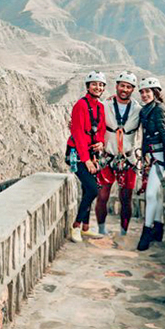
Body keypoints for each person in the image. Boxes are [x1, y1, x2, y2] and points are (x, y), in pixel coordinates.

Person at [94, 70, 142, 239]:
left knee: (126, 197)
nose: (125, 89)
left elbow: (151, 125)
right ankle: (100, 229)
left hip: (127, 158)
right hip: (107, 156)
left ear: (132, 89)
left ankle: (124, 231)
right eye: (122, 86)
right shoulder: (104, 106)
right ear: (117, 86)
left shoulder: (138, 110)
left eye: (129, 87)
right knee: (103, 195)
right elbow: (89, 119)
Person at [136, 76, 165, 251]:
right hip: (153, 158)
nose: (144, 95)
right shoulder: (147, 110)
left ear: (155, 93)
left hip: (160, 160)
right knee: (157, 196)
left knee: (151, 195)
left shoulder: (159, 110)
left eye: (148, 91)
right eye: (142, 92)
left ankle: (146, 231)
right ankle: (158, 228)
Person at [66, 70, 107, 241]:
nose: (97, 87)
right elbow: (78, 133)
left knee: (87, 190)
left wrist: (100, 143)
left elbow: (101, 128)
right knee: (92, 189)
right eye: (94, 84)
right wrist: (87, 160)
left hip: (91, 153)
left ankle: (85, 227)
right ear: (88, 86)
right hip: (77, 154)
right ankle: (75, 226)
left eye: (100, 85)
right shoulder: (80, 105)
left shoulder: (100, 107)